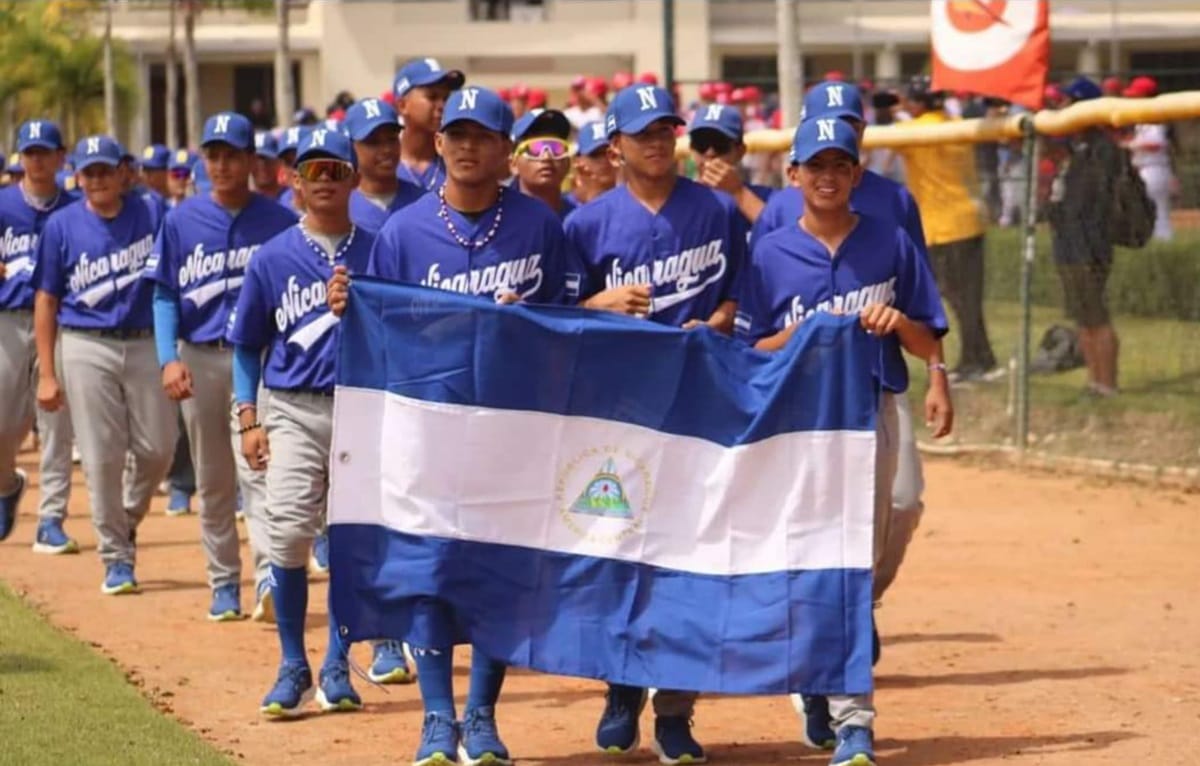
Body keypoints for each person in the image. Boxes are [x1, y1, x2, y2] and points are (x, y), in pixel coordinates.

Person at [328, 85, 582, 766]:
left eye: (484, 136)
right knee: (432, 572)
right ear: (438, 144)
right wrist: (344, 304)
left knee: (499, 573)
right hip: (427, 427)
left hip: (512, 427)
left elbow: (567, 323)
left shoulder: (538, 227)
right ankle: (437, 717)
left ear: (507, 149)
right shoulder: (403, 233)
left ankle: (483, 714)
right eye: (457, 135)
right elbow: (376, 331)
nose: (469, 147)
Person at [739, 117, 948, 766]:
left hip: (875, 397)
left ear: (858, 175)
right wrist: (805, 333)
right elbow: (751, 345)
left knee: (903, 508)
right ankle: (854, 719)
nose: (827, 177)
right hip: (802, 420)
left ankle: (849, 615)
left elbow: (928, 334)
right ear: (792, 175)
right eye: (815, 165)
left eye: (840, 165)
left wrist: (902, 328)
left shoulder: (888, 241)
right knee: (830, 560)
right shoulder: (771, 252)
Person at [565, 83, 747, 765]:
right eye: (641, 131)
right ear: (614, 145)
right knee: (618, 554)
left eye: (665, 128)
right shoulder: (585, 224)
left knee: (690, 560)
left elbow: (744, 293)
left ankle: (674, 709)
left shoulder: (718, 210)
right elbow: (553, 317)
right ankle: (620, 687)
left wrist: (724, 319)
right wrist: (598, 302)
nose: (656, 140)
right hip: (618, 411)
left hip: (700, 404)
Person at [227, 128, 368, 716]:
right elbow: (246, 346)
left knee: (353, 543)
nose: (326, 180)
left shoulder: (380, 249)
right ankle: (292, 662)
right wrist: (248, 416)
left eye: (336, 169)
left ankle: (338, 662)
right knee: (285, 533)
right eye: (314, 171)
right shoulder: (273, 255)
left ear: (354, 179)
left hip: (362, 406)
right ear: (296, 181)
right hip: (291, 406)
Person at [145, 111, 298, 621]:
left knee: (260, 471)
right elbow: (165, 295)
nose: (223, 164)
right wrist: (168, 358)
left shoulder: (279, 220)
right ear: (203, 160)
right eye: (215, 155)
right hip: (203, 356)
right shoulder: (181, 220)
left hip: (257, 360)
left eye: (233, 154)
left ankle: (267, 577)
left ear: (253, 160)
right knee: (213, 478)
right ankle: (223, 582)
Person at [33, 134, 177, 594]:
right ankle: (116, 557)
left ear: (123, 172)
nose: (96, 179)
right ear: (76, 175)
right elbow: (47, 298)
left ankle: (125, 518)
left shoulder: (151, 212)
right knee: (101, 456)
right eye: (88, 171)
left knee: (159, 450)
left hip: (144, 340)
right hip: (84, 343)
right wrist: (48, 372)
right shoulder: (62, 224)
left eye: (104, 170)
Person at [0, 119, 79, 551]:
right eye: (29, 152)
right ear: (20, 158)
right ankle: (8, 484)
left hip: (63, 322)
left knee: (56, 422)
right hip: (9, 319)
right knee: (3, 426)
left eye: (44, 151)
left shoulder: (75, 207)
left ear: (60, 157)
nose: (37, 159)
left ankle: (52, 516)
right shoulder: (3, 204)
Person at [893, 76, 998, 382]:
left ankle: (977, 361)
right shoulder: (954, 122)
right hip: (970, 219)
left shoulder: (916, 129)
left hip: (945, 225)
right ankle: (978, 358)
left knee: (958, 297)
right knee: (967, 298)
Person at [1046, 77, 1124, 397]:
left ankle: (1107, 383)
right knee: (1083, 317)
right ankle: (1094, 380)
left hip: (1088, 245)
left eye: (1067, 102)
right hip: (1070, 243)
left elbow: (1093, 203)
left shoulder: (1102, 150)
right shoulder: (1076, 149)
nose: (1061, 107)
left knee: (1096, 316)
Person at [344, 96, 424, 232]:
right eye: (373, 142)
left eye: (392, 139)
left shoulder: (423, 202)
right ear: (351, 147)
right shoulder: (340, 207)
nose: (386, 149)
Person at [687, 102, 774, 227]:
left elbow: (784, 237)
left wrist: (738, 193)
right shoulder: (678, 199)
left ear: (740, 151)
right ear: (691, 149)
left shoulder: (766, 198)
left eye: (720, 143)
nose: (710, 153)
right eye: (701, 143)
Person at [393, 57, 465, 191]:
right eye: (432, 97)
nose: (442, 106)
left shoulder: (459, 162)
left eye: (446, 98)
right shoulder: (385, 163)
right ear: (402, 105)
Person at [1122, 76, 1174, 241]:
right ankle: (1159, 244)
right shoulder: (1144, 118)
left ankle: (1164, 243)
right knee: (1149, 213)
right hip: (1147, 169)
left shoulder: (1154, 118)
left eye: (1137, 95)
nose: (1133, 98)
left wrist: (1131, 145)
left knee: (1157, 213)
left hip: (1153, 169)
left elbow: (1156, 144)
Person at [509, 108, 575, 219]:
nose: (547, 157)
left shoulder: (582, 222)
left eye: (556, 148)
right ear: (514, 164)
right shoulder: (497, 220)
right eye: (535, 148)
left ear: (567, 163)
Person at [570, 120, 618, 205]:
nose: (605, 160)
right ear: (578, 161)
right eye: (595, 155)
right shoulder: (568, 206)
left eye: (611, 153)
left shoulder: (640, 200)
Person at [252, 133, 285, 200]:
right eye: (256, 159)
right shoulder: (240, 201)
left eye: (267, 159)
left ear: (279, 162)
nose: (262, 165)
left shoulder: (291, 199)